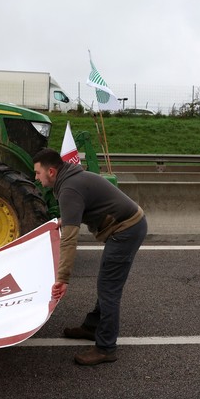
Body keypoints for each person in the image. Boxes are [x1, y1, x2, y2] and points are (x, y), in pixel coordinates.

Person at [33, 148, 147, 365]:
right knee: (106, 284)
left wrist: (62, 279)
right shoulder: (71, 180)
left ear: (51, 171)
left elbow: (69, 240)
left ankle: (105, 348)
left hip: (126, 230)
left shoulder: (68, 188)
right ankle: (92, 326)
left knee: (109, 289)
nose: (36, 178)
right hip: (127, 225)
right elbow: (81, 207)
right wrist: (65, 220)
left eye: (38, 173)